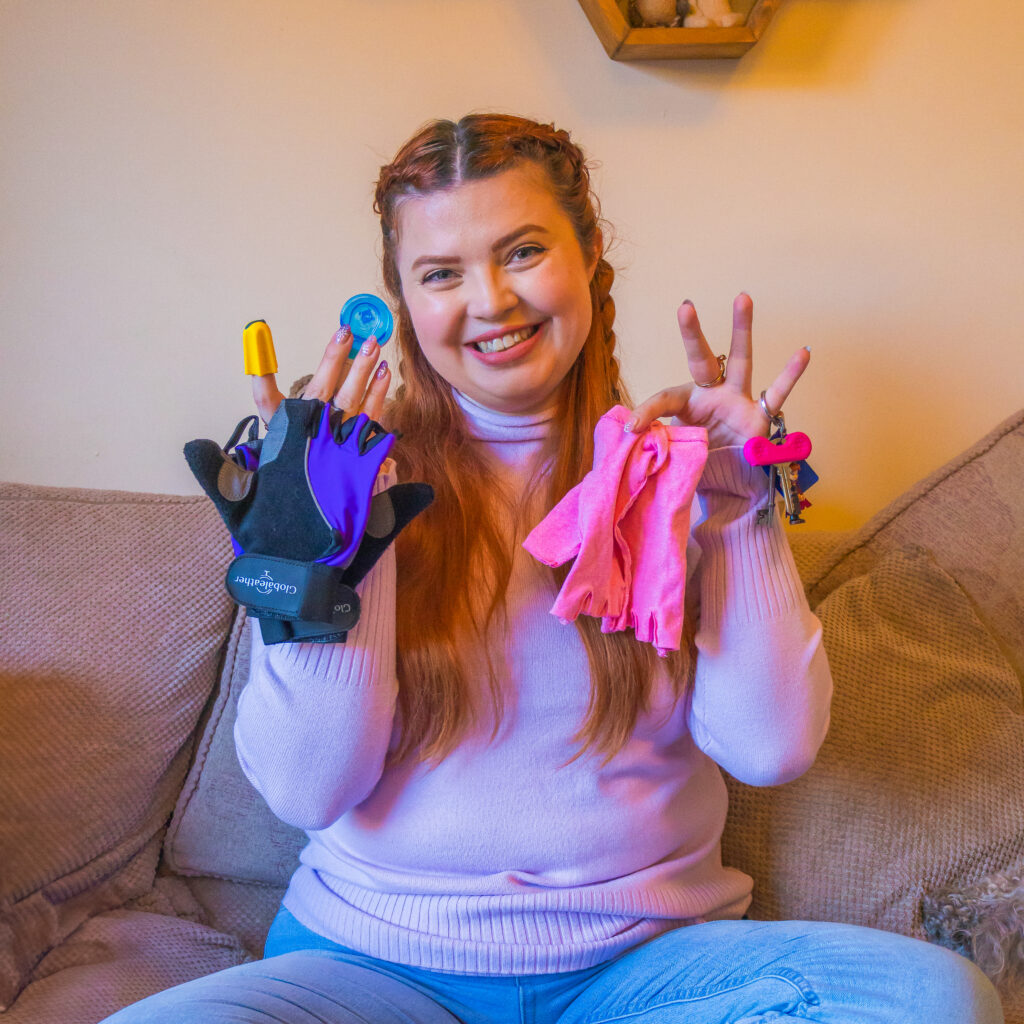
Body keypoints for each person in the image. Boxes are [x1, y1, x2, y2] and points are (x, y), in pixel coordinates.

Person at [103, 114, 1003, 1024]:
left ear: (589, 258)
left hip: (645, 971)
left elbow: (770, 749)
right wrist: (328, 553)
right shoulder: (342, 478)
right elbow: (309, 788)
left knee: (933, 998)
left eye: (523, 250)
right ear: (404, 302)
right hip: (369, 969)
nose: (490, 301)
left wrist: (737, 507)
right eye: (442, 273)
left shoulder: (671, 471)